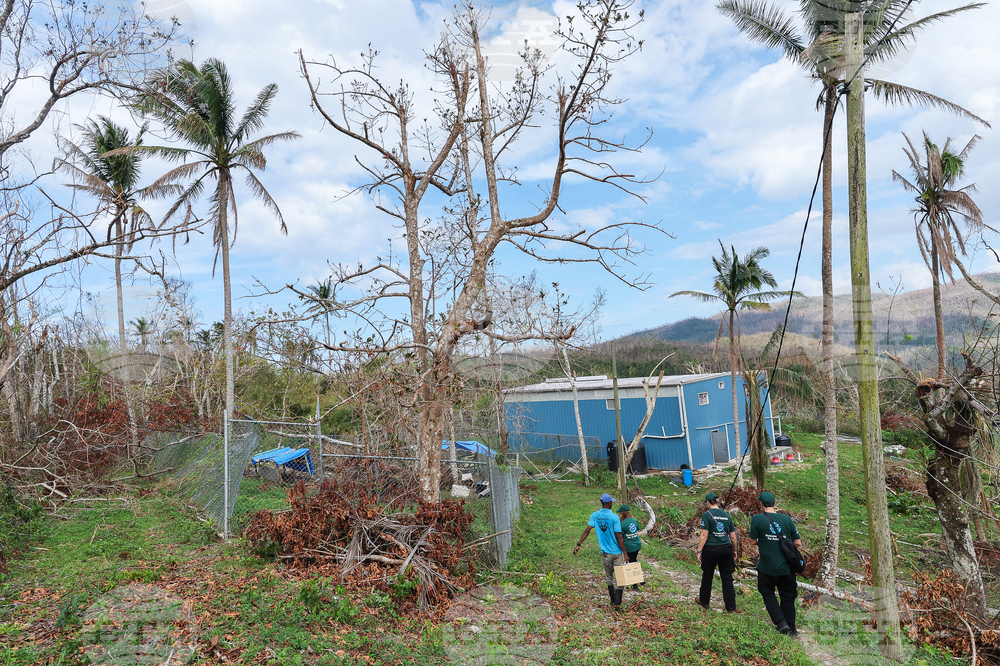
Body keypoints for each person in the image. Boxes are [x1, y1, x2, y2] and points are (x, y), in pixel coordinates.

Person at [746, 491, 803, 637]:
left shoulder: (757, 519)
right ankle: (792, 629)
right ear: (774, 503)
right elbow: (798, 542)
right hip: (787, 569)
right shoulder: (787, 519)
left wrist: (765, 542)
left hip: (767, 568)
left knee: (766, 591)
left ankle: (780, 622)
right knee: (787, 597)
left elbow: (752, 541)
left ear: (761, 504)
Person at [573, 493, 627, 608]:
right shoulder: (614, 517)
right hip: (617, 553)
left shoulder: (595, 515)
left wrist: (579, 544)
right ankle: (617, 603)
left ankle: (612, 601)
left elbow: (587, 530)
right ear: (609, 503)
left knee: (609, 577)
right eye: (611, 502)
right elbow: (619, 536)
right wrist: (625, 553)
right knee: (620, 577)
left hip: (605, 552)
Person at [695, 492, 738, 612]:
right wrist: (734, 550)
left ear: (708, 502)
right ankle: (731, 607)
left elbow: (704, 535)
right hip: (726, 549)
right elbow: (733, 537)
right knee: (727, 577)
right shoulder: (727, 515)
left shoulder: (707, 515)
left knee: (708, 575)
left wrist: (699, 551)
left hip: (711, 549)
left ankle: (704, 601)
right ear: (717, 502)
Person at [617, 505, 644, 589]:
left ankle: (634, 584)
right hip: (637, 544)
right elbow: (637, 528)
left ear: (622, 513)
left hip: (629, 546)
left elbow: (620, 535)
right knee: (634, 560)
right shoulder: (634, 520)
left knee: (630, 564)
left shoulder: (622, 523)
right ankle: (640, 579)